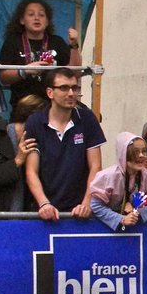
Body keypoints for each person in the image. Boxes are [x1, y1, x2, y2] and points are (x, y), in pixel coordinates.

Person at [23, 68, 105, 220]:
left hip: (80, 211)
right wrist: (43, 203)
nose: (71, 93)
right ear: (50, 93)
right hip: (45, 212)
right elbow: (31, 171)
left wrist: (87, 203)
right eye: (64, 88)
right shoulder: (34, 122)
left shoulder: (87, 119)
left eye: (74, 87)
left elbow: (96, 166)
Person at [0, 0, 82, 107]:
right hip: (23, 106)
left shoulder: (57, 42)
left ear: (47, 21)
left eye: (42, 15)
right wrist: (25, 71)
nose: (37, 18)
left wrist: (74, 45)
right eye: (31, 14)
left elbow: (75, 73)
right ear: (22, 20)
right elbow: (3, 77)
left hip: (53, 106)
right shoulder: (13, 41)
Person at [89, 132, 147, 231]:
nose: (141, 155)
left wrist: (138, 213)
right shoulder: (109, 176)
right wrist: (121, 219)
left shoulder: (146, 177)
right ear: (123, 154)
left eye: (144, 151)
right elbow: (95, 206)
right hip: (103, 228)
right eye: (135, 152)